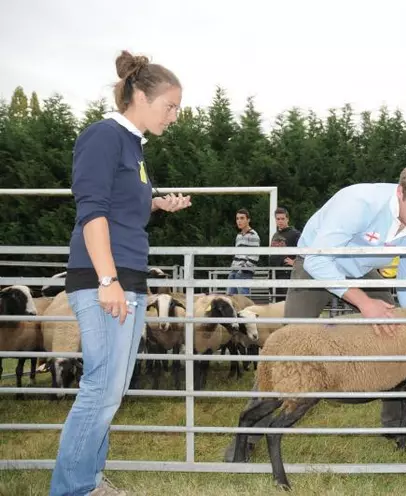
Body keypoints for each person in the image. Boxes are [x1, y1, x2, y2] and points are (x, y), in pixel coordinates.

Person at [50, 50, 191, 496]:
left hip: (127, 275)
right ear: (139, 96)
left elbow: (118, 204)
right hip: (102, 278)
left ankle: (89, 481)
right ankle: (72, 488)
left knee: (111, 390)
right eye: (170, 106)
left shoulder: (134, 145)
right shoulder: (103, 136)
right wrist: (107, 280)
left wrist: (155, 203)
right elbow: (92, 212)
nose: (174, 116)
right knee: (100, 389)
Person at [284, 159, 406, 439]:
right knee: (287, 345)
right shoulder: (359, 202)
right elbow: (317, 260)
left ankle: (395, 428)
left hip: (362, 270)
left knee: (394, 334)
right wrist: (364, 302)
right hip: (315, 265)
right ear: (400, 192)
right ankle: (251, 432)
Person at [268, 207, 301, 302]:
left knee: (287, 304)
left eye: (282, 218)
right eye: (278, 219)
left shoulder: (295, 234)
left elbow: (304, 250)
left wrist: (295, 262)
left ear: (287, 219)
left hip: (287, 274)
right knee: (276, 304)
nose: (280, 221)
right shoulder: (275, 235)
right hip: (274, 274)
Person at [227, 208, 260, 296]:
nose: (239, 221)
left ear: (248, 220)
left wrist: (243, 269)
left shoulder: (253, 235)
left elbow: (254, 256)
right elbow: (237, 254)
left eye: (242, 218)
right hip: (234, 270)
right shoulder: (239, 235)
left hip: (244, 271)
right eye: (237, 218)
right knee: (230, 298)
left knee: (243, 300)